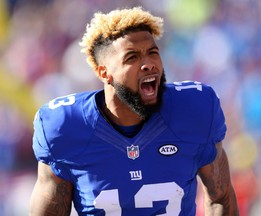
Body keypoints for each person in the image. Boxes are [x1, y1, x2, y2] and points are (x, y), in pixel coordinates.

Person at [29, 7, 239, 216]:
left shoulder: (195, 110)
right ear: (105, 73)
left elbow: (220, 197)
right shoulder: (64, 127)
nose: (148, 64)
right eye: (132, 57)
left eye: (152, 53)